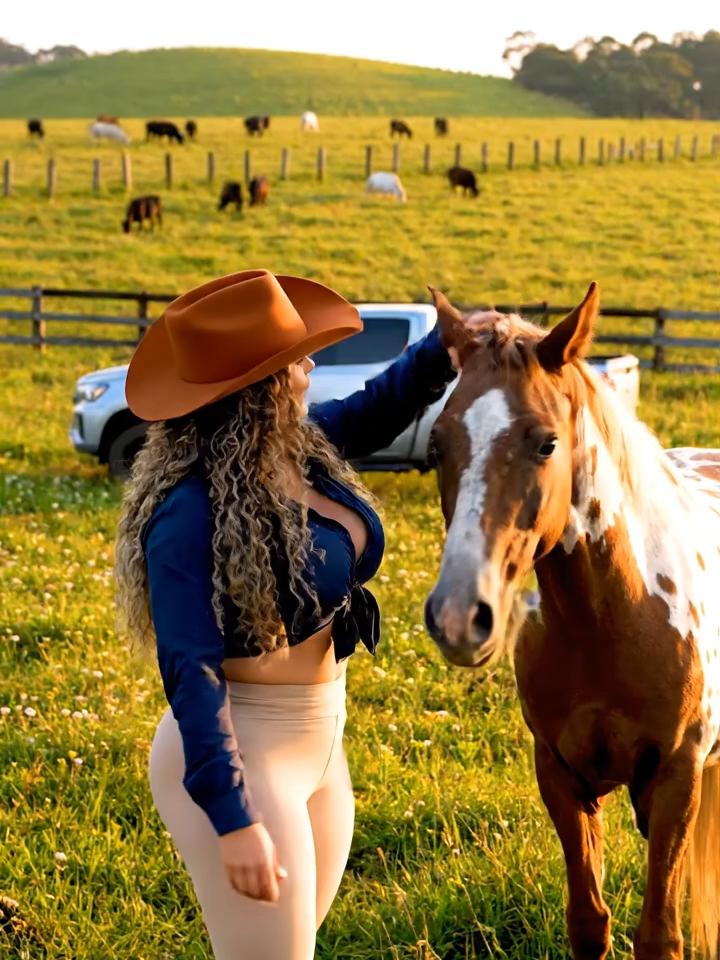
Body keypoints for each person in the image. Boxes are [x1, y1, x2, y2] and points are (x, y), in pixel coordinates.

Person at [114, 269, 458, 960]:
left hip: (322, 740)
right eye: (295, 359)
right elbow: (190, 669)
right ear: (262, 384)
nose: (309, 367)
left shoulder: (293, 451)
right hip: (244, 752)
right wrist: (232, 817)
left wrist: (447, 346)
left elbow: (374, 408)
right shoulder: (186, 513)